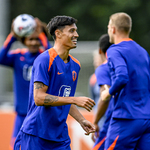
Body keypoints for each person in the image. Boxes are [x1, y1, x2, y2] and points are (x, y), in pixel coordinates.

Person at [13, 15, 95, 150]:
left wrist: (82, 120)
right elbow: (39, 98)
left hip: (59, 137)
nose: (77, 35)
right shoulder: (44, 60)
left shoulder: (75, 65)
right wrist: (74, 99)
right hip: (36, 134)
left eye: (76, 31)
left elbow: (64, 98)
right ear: (58, 33)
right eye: (72, 31)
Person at [101, 12, 150, 150]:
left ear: (113, 29)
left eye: (108, 27)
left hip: (127, 118)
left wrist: (108, 93)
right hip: (148, 119)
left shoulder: (114, 50)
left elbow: (122, 77)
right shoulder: (142, 51)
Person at [0, 15, 51, 149]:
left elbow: (54, 58)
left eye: (37, 39)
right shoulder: (17, 56)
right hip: (22, 113)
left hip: (41, 113)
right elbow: (1, 57)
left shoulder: (44, 57)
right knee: (17, 146)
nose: (34, 42)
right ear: (24, 40)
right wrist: (12, 35)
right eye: (30, 39)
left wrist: (41, 33)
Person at [91, 34, 113, 150]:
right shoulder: (93, 79)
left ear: (101, 52)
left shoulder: (103, 69)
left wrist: (95, 122)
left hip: (111, 120)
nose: (95, 62)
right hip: (103, 119)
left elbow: (105, 97)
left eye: (97, 59)